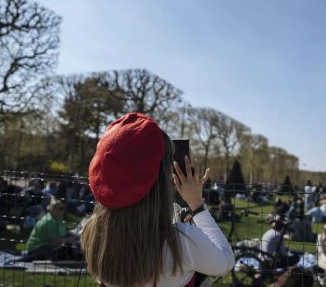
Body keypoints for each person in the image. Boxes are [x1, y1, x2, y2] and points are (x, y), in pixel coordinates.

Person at [80, 113, 234, 287]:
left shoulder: (92, 234)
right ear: (161, 181)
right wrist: (197, 205)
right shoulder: (181, 242)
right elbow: (225, 262)